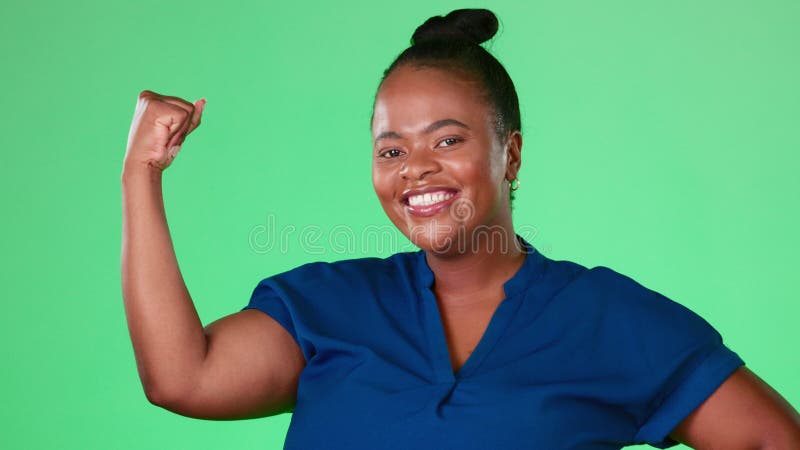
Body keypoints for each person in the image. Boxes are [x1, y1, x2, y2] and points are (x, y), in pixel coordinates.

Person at [121, 8, 800, 450]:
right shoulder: (326, 306)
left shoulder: (606, 319)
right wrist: (141, 176)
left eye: (447, 141)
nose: (414, 169)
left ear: (510, 154)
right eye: (391, 150)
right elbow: (182, 377)